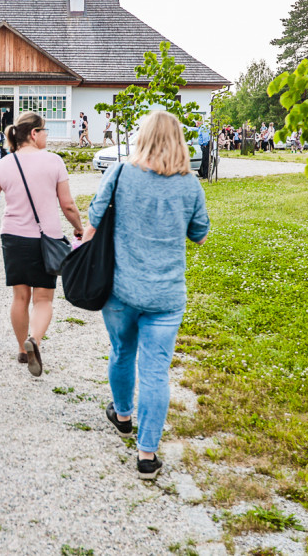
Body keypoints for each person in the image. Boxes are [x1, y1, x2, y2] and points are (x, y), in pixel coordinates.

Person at [85, 110, 209, 480]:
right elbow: (200, 234)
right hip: (166, 296)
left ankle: (123, 416)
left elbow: (93, 220)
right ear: (179, 140)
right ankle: (147, 455)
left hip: (120, 289)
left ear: (142, 136)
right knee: (155, 371)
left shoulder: (120, 173)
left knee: (122, 351)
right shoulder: (190, 185)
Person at [0, 111, 83, 376]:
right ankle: (35, 341)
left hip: (13, 237)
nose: (47, 136)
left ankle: (21, 348)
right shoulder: (54, 162)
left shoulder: (3, 165)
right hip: (46, 238)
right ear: (34, 133)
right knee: (43, 299)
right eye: (45, 131)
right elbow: (68, 205)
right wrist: (79, 229)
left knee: (19, 296)